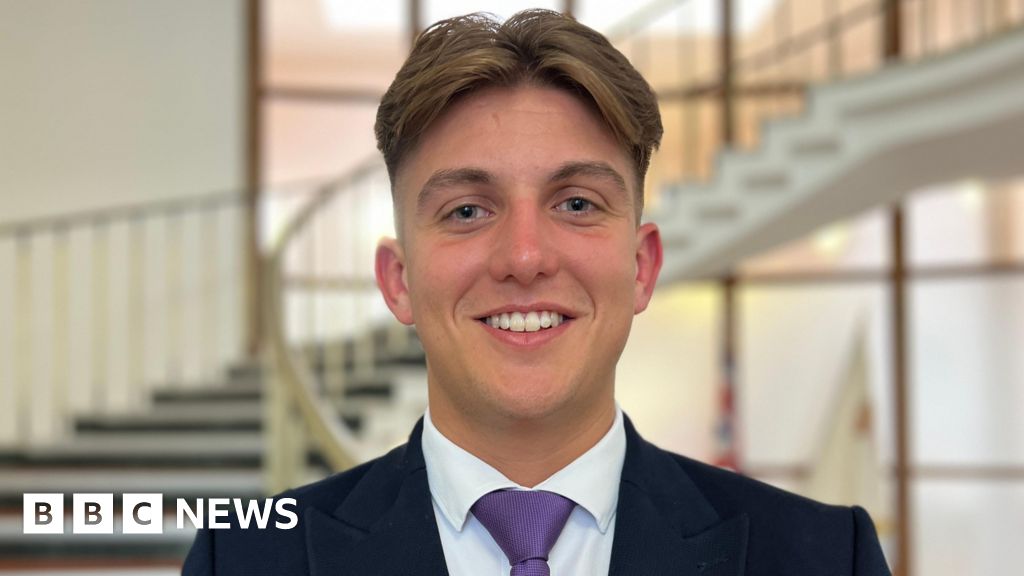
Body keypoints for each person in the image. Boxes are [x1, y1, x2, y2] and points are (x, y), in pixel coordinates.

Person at [184, 9, 891, 576]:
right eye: (467, 210)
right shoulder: (244, 559)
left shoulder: (825, 557)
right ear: (398, 282)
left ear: (642, 267)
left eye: (577, 204)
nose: (525, 257)